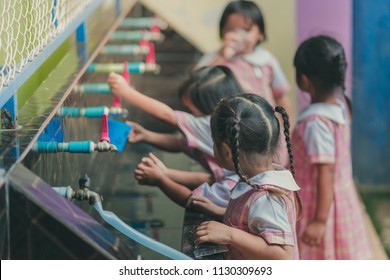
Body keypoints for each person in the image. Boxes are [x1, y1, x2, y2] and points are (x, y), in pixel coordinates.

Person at [107, 66, 241, 210]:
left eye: (191, 111)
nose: (191, 115)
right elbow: (182, 144)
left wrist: (126, 92)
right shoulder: (235, 122)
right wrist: (147, 135)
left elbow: (168, 116)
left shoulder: (210, 124)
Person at [292, 35, 372, 259]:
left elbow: (324, 171)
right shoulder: (341, 104)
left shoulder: (316, 123)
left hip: (320, 205)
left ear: (305, 80)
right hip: (340, 198)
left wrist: (318, 221)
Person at [193, 94, 301, 260]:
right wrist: (223, 213)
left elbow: (282, 255)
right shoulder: (258, 179)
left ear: (227, 151)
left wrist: (230, 234)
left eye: (213, 142)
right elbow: (254, 222)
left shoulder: (266, 199)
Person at [195, 0, 291, 112]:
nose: (238, 35)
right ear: (222, 31)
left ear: (260, 34)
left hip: (262, 123)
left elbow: (280, 97)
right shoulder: (214, 58)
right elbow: (196, 85)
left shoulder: (266, 60)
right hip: (227, 122)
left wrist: (287, 125)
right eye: (231, 29)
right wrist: (223, 57)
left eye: (246, 30)